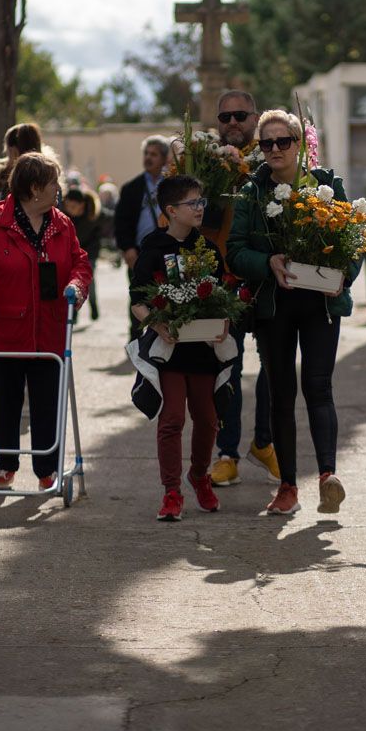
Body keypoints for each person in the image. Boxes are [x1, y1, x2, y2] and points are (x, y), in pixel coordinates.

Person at [228, 110, 359, 517]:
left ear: (299, 144)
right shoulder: (252, 193)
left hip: (320, 302)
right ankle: (287, 486)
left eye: (283, 141)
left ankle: (327, 478)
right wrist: (268, 261)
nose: (274, 150)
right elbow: (234, 251)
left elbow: (352, 244)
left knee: (318, 386)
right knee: (281, 393)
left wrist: (343, 279)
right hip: (273, 305)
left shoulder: (326, 186)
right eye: (266, 144)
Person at [0, 151, 92, 490]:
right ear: (34, 189)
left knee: (48, 403)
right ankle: (5, 464)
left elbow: (80, 263)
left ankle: (48, 469)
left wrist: (76, 285)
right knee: (5, 403)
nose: (58, 189)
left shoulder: (62, 224)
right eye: (52, 183)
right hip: (4, 333)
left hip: (48, 331)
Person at [130, 174, 227, 522]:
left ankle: (199, 476)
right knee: (172, 418)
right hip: (169, 352)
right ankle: (171, 492)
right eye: (193, 203)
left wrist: (223, 324)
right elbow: (137, 300)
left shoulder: (209, 250)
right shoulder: (153, 247)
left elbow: (221, 300)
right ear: (171, 210)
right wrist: (157, 324)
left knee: (208, 419)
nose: (200, 208)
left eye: (201, 201)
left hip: (202, 351)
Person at [199, 90, 276, 488]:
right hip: (220, 281)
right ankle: (226, 453)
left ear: (255, 117)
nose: (232, 123)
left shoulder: (273, 155)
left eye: (240, 116)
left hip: (265, 278)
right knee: (226, 370)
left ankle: (264, 442)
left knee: (273, 367)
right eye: (224, 116)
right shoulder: (204, 162)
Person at [115, 136, 172, 340]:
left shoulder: (173, 185)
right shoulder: (132, 188)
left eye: (154, 154)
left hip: (168, 252)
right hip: (139, 253)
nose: (148, 158)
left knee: (167, 300)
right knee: (138, 299)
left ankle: (166, 339)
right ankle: (136, 342)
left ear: (165, 158)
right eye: (146, 153)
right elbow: (121, 222)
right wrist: (127, 248)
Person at [0, 122, 46, 216]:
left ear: (14, 151)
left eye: (7, 150)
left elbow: (25, 218)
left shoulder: (21, 181)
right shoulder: (47, 176)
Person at [61, 186, 103, 320]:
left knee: (89, 282)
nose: (69, 209)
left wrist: (90, 255)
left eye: (73, 206)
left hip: (89, 253)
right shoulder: (65, 216)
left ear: (81, 205)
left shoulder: (92, 215)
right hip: (71, 254)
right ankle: (73, 312)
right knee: (72, 282)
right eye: (67, 205)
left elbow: (96, 238)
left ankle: (94, 307)